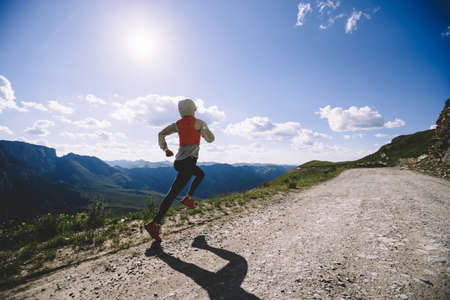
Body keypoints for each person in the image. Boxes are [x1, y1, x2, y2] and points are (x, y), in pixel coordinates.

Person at [145, 99, 215, 241]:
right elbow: (210, 139)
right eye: (194, 109)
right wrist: (205, 129)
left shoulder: (177, 124)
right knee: (173, 194)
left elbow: (161, 134)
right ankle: (155, 223)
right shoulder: (199, 123)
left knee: (199, 174)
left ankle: (188, 198)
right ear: (192, 109)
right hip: (188, 163)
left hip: (179, 162)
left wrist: (165, 149)